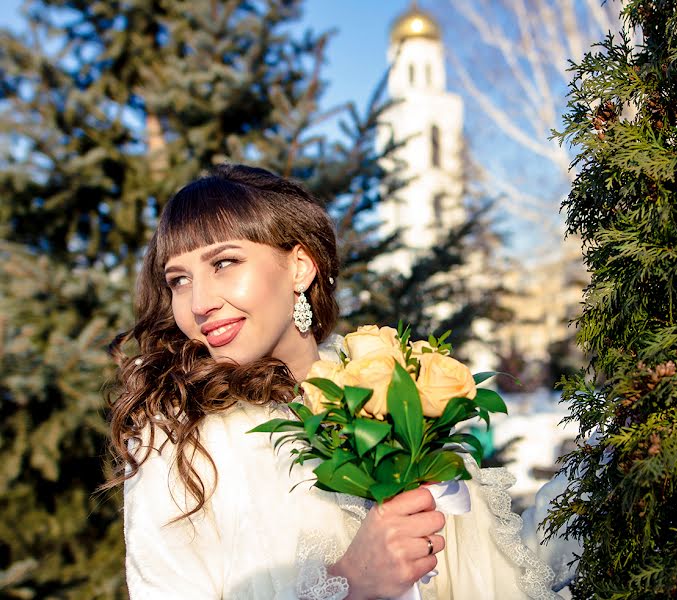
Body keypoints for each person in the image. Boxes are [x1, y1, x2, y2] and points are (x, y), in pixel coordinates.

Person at [105, 164, 564, 599]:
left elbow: (492, 569)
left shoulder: (385, 378)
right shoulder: (174, 432)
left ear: (300, 267)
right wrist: (348, 582)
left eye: (223, 263)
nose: (199, 301)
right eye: (179, 280)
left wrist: (598, 478)